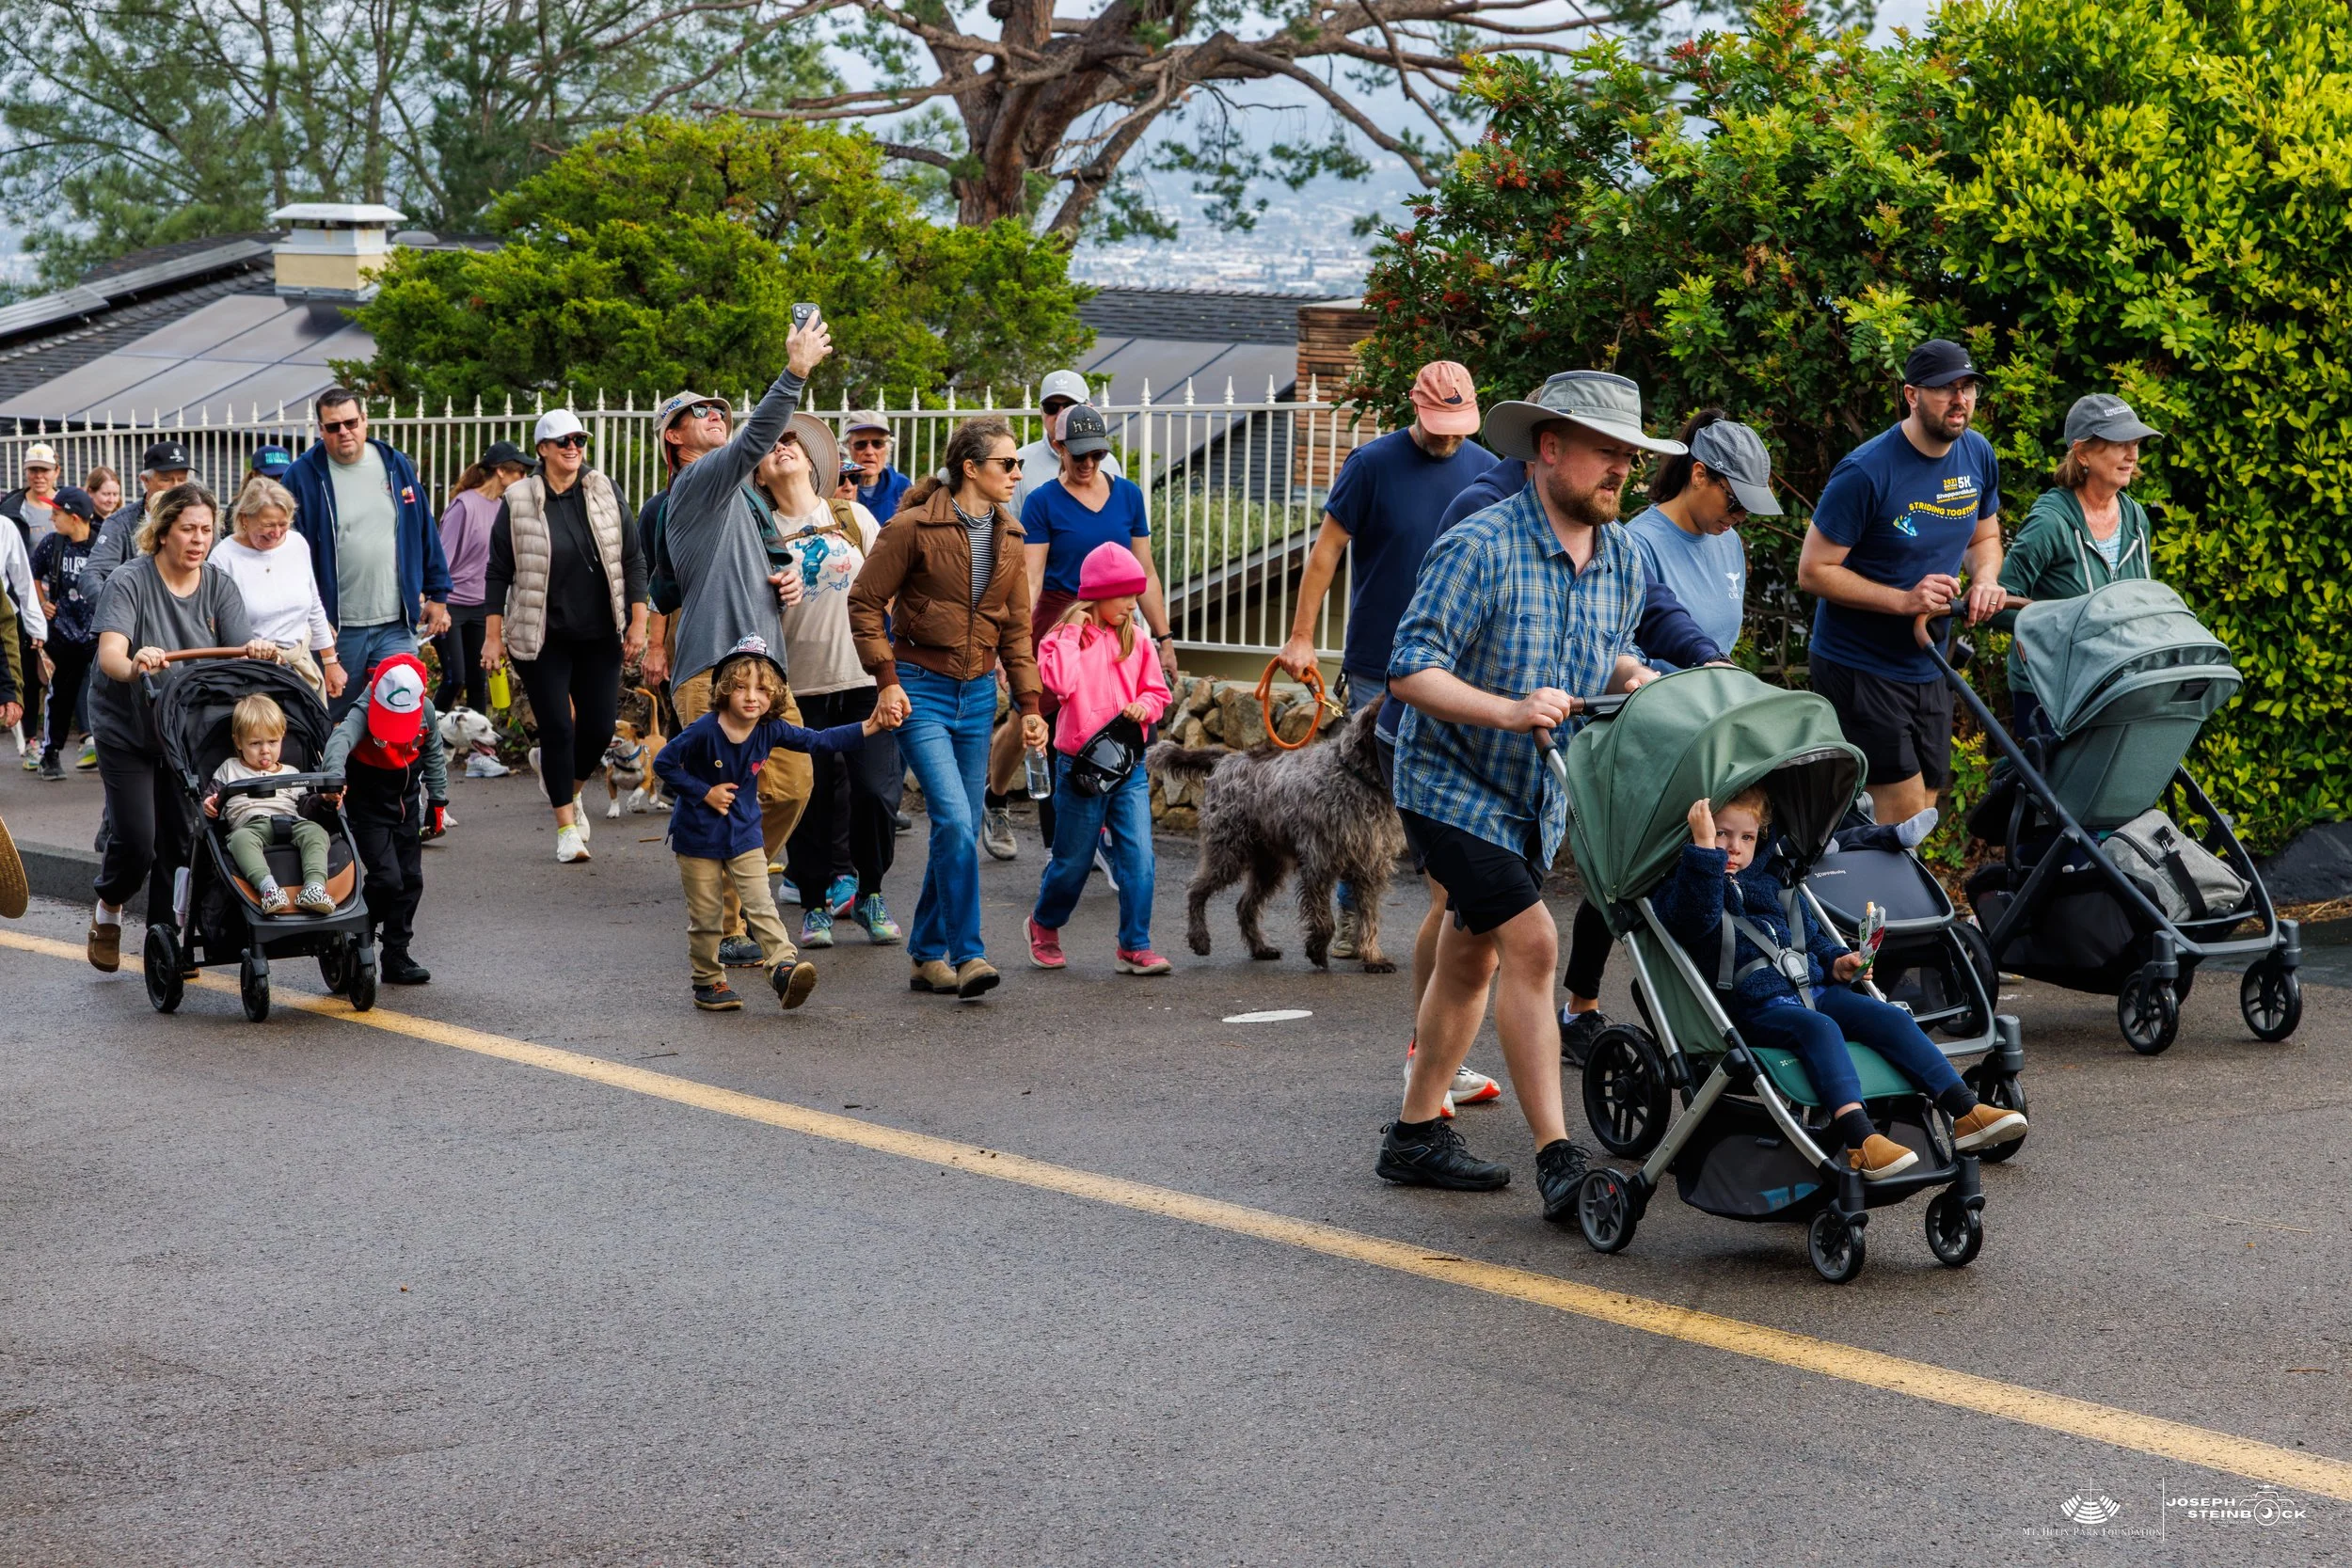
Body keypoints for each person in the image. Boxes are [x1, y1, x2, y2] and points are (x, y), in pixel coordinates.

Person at [1378, 370, 1677, 1220]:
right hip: (1447, 781)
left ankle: (1413, 1136)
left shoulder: (1623, 556)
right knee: (1534, 942)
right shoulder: (1481, 545)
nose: (1622, 469)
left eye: (1629, 455)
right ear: (1550, 449)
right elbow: (1408, 667)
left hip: (1533, 796)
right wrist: (1510, 711)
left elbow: (1605, 650)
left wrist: (1646, 681)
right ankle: (1557, 1156)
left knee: (1472, 956)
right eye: (1606, 452)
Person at [1558, 412, 1788, 1065]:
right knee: (1625, 868)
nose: (1738, 518)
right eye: (1733, 501)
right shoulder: (1639, 541)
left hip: (1709, 727)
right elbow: (1620, 644)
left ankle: (1717, 989)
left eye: (1748, 509)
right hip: (1646, 724)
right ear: (1698, 474)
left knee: (1722, 857)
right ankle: (1582, 1004)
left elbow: (1716, 644)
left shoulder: (1728, 543)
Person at [1656, 787, 2027, 1176]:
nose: (1733, 847)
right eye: (1721, 834)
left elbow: (1811, 939)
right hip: (1752, 1008)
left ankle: (1965, 1110)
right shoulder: (1688, 887)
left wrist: (1838, 963)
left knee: (1889, 1017)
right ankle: (1859, 1138)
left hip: (1809, 991)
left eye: (1746, 837)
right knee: (1821, 1028)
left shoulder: (1770, 884)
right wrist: (1704, 854)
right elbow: (1693, 922)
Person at [1277, 360, 1493, 958]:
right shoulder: (1370, 465)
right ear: (1414, 407)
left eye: (1459, 425)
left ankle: (1456, 922)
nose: (1449, 436)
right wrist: (1301, 636)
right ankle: (1354, 919)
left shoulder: (1489, 472)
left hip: (1461, 664)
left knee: (1449, 794)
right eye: (1438, 423)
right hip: (1381, 662)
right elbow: (1325, 554)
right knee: (1366, 797)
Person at [646, 312, 834, 962]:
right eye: (700, 413)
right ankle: (728, 922)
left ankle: (736, 878)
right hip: (709, 671)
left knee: (794, 785)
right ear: (675, 437)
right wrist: (797, 368)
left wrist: (782, 582)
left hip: (764, 671)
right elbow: (757, 437)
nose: (716, 415)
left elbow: (759, 565)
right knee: (730, 794)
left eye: (719, 410)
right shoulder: (695, 484)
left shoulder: (744, 506)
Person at [848, 415, 1047, 1000]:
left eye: (1018, 465)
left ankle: (925, 954)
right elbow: (865, 602)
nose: (1017, 473)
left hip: (978, 695)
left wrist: (1028, 702)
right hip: (919, 689)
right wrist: (885, 679)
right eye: (1006, 464)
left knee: (953, 830)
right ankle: (970, 954)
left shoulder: (1011, 536)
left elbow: (1016, 631)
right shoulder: (911, 528)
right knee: (958, 821)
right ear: (970, 468)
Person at [1798, 339, 2005, 827]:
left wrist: (1988, 579)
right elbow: (1813, 571)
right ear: (1911, 396)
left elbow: (1985, 537)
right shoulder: (1866, 471)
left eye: (1968, 387)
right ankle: (1865, 902)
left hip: (1928, 663)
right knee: (1900, 810)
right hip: (1859, 665)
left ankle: (1868, 896)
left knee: (1925, 806)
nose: (1961, 400)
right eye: (1945, 390)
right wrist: (1903, 601)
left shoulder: (1977, 454)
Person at [87, 483, 277, 972]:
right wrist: (135, 663)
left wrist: (255, 649)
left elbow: (238, 651)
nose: (199, 540)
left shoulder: (218, 585)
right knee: (137, 840)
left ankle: (163, 942)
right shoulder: (130, 581)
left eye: (207, 530)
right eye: (188, 529)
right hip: (126, 728)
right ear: (163, 532)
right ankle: (108, 907)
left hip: (184, 731)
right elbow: (110, 653)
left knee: (180, 838)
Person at [982, 404, 1175, 860]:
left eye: (1097, 454)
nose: (1088, 464)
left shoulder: (1128, 495)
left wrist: (1164, 639)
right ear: (1058, 447)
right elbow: (1030, 579)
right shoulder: (1043, 500)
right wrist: (1013, 650)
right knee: (1034, 721)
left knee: (1103, 719)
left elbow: (1143, 568)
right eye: (1078, 455)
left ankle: (1091, 831)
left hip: (1115, 624)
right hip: (1059, 619)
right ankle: (1001, 801)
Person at [654, 636, 886, 1011]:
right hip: (697, 837)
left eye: (762, 690)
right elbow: (663, 764)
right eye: (742, 687)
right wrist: (704, 792)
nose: (751, 697)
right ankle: (708, 981)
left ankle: (783, 968)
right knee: (707, 917)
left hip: (745, 833)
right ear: (725, 690)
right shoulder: (703, 730)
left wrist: (868, 728)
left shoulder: (770, 729)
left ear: (774, 696)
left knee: (761, 906)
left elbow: (820, 740)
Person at [758, 412, 901, 947]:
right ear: (760, 473)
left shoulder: (852, 518)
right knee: (811, 799)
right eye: (770, 445)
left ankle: (871, 893)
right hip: (797, 686)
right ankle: (815, 904)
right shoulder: (758, 531)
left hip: (863, 679)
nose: (783, 447)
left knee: (876, 793)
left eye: (790, 439)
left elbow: (892, 588)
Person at [483, 410, 647, 863]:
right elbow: (498, 571)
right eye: (563, 441)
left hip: (600, 633)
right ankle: (566, 829)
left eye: (579, 439)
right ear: (542, 450)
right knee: (558, 728)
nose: (573, 447)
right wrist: (492, 637)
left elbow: (632, 559)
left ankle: (569, 791)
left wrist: (638, 622)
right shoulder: (517, 499)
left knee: (595, 730)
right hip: (542, 636)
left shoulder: (605, 490)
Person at [1025, 542, 1172, 974]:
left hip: (1129, 766)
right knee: (1071, 862)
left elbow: (1157, 691)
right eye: (1124, 595)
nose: (1132, 604)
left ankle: (1134, 945)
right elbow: (1061, 684)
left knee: (1140, 858)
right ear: (1097, 595)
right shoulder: (1061, 638)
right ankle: (1044, 924)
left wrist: (1146, 706)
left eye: (1134, 594)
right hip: (1080, 768)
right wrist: (1073, 630)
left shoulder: (1138, 639)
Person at [1992, 392, 2161, 741]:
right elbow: (2000, 604)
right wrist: (2069, 630)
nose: (2133, 455)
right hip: (2050, 692)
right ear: (2082, 452)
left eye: (2136, 443)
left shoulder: (2135, 518)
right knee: (2051, 793)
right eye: (2120, 444)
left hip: (2113, 686)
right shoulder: (2050, 521)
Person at [282, 388, 453, 716]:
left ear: (364, 421)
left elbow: (423, 528)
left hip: (395, 622)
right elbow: (288, 553)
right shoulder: (302, 475)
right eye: (333, 427)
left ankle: (396, 771)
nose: (344, 432)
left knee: (401, 714)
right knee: (335, 718)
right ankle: (339, 770)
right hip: (336, 627)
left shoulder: (395, 464)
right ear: (321, 430)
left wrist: (438, 592)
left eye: (350, 422)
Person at [319, 653, 447, 986]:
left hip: (406, 806)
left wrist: (437, 800)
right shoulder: (362, 711)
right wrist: (333, 777)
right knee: (388, 878)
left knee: (410, 879)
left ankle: (396, 954)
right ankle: (353, 931)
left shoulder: (427, 711)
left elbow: (433, 752)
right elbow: (340, 740)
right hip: (370, 808)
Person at [210, 478, 343, 701]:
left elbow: (313, 605)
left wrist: (330, 661)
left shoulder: (297, 544)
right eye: (268, 525)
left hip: (300, 668)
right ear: (245, 518)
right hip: (252, 676)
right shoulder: (223, 558)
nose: (277, 533)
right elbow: (215, 628)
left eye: (284, 524)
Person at [204, 692, 337, 916]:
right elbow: (211, 795)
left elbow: (305, 807)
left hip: (292, 820)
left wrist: (324, 799)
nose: (265, 750)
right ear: (238, 741)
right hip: (250, 825)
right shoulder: (230, 768)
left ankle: (314, 887)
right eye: (255, 743)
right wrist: (208, 802)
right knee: (239, 841)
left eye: (272, 742)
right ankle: (268, 888)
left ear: (282, 737)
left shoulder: (291, 772)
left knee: (316, 832)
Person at [436, 440, 532, 716]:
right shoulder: (463, 506)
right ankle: (425, 738)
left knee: (479, 680)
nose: (524, 478)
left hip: (482, 606)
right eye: (520, 472)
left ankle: (480, 750)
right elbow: (442, 560)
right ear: (501, 471)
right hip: (452, 606)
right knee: (456, 678)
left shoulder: (505, 507)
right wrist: (437, 604)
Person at [28, 485, 101, 780]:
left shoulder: (101, 545)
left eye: (57, 514)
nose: (52, 519)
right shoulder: (52, 544)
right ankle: (50, 754)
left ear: (75, 517)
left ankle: (103, 749)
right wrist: (43, 602)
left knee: (102, 696)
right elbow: (32, 573)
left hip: (96, 635)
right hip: (62, 635)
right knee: (60, 696)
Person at [80, 440, 195, 605]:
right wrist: (121, 614)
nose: (175, 487)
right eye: (166, 479)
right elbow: (91, 576)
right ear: (145, 480)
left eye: (181, 479)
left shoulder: (200, 521)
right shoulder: (120, 524)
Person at [1010, 370, 1123, 515]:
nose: (1061, 414)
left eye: (1071, 406)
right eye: (1051, 407)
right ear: (1041, 411)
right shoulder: (1020, 462)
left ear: (1089, 408)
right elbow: (1008, 525)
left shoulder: (1108, 463)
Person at [0, 458, 50, 768]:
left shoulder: (5, 528)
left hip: (6, 616)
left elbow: (21, 580)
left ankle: (32, 739)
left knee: (29, 684)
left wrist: (36, 628)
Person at [839, 411, 913, 523]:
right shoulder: (836, 487)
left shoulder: (902, 487)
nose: (869, 452)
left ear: (888, 449)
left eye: (877, 444)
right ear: (848, 448)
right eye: (860, 444)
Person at [2, 441, 61, 548]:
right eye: (33, 470)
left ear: (57, 471)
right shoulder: (10, 509)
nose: (38, 476)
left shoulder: (71, 504)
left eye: (45, 470)